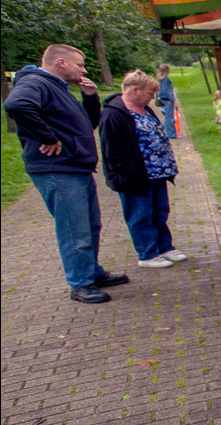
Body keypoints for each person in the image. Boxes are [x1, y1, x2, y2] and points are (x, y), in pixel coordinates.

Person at [2, 44, 129, 303]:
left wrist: (91, 97)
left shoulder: (58, 89)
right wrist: (46, 136)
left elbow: (86, 124)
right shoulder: (36, 82)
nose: (83, 70)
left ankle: (91, 272)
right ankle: (81, 284)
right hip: (58, 169)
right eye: (79, 64)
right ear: (61, 62)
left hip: (75, 167)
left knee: (90, 225)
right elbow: (15, 104)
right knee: (74, 229)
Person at [99, 70, 187, 270]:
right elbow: (112, 150)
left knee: (160, 211)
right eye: (149, 93)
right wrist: (128, 172)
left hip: (156, 172)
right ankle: (147, 253)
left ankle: (164, 246)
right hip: (136, 176)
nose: (152, 98)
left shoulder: (144, 109)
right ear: (135, 90)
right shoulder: (114, 113)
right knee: (141, 214)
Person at [156, 64, 177, 139]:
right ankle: (171, 134)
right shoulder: (165, 80)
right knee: (169, 117)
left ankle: (170, 132)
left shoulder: (160, 79)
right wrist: (172, 99)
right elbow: (166, 91)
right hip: (167, 100)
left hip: (163, 99)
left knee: (167, 116)